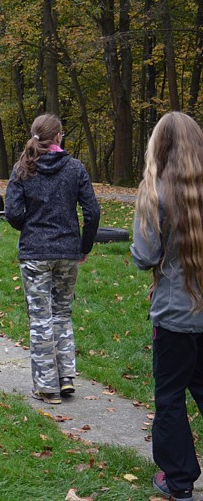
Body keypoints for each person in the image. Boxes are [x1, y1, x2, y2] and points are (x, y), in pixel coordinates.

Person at [131, 111, 203, 501]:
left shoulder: (156, 191)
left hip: (175, 315)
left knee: (171, 396)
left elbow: (144, 255)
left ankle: (178, 481)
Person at [5, 113, 100, 405]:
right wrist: (83, 246)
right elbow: (92, 212)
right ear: (58, 137)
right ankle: (66, 377)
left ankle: (47, 386)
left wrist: (30, 227)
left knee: (40, 318)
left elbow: (12, 212)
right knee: (61, 314)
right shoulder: (74, 168)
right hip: (66, 252)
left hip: (36, 253)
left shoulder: (23, 168)